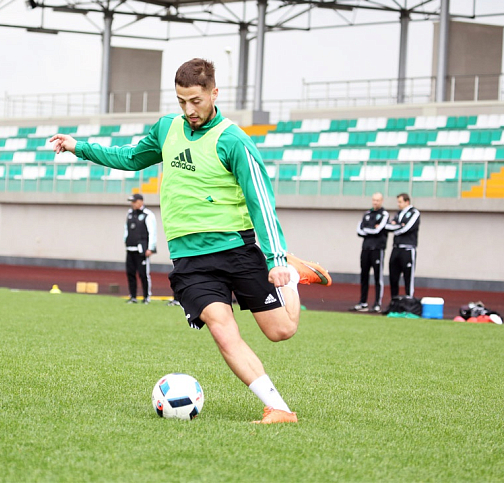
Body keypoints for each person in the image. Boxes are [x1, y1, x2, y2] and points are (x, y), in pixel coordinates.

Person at [50, 58, 331, 424]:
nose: (189, 109)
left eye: (196, 100)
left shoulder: (234, 140)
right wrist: (79, 147)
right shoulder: (167, 128)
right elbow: (131, 158)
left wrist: (276, 260)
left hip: (237, 248)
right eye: (182, 101)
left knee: (281, 331)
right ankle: (278, 408)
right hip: (190, 259)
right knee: (222, 329)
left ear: (214, 94)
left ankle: (292, 275)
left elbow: (261, 200)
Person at [350, 192, 389, 313]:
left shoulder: (384, 214)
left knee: (378, 277)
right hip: (365, 248)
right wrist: (371, 229)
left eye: (377, 200)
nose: (375, 202)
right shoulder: (367, 214)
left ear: (382, 201)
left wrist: (368, 230)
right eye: (373, 200)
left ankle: (377, 304)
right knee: (364, 276)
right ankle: (363, 303)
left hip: (377, 249)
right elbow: (359, 230)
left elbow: (378, 230)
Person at [124, 193, 157, 304]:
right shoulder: (130, 213)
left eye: (134, 202)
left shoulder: (148, 214)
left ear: (140, 201)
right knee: (130, 273)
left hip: (142, 250)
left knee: (143, 274)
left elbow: (152, 232)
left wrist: (150, 248)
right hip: (130, 248)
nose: (132, 204)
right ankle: (133, 296)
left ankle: (146, 297)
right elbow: (126, 229)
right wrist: (126, 240)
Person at [386, 193, 420, 299]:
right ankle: (394, 301)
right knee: (393, 277)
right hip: (396, 248)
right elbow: (388, 226)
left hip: (407, 248)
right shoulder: (398, 214)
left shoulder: (414, 213)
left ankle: (409, 301)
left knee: (408, 277)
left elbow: (407, 228)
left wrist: (397, 227)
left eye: (400, 202)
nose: (398, 204)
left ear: (407, 202)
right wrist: (399, 226)